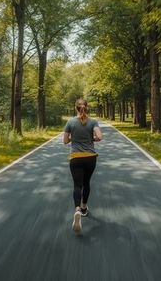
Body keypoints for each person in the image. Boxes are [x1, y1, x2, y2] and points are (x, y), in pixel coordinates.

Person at [63, 98, 103, 235]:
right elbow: (100, 137)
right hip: (91, 158)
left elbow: (65, 141)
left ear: (76, 108)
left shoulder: (70, 122)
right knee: (86, 183)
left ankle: (77, 209)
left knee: (77, 185)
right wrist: (92, 139)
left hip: (76, 158)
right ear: (87, 108)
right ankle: (84, 208)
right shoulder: (93, 122)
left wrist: (73, 138)